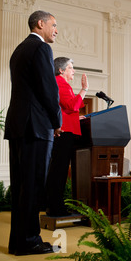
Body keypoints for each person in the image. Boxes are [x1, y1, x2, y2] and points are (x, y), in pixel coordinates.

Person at [4, 10, 62, 256]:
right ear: (40, 24)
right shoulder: (41, 49)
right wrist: (57, 120)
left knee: (21, 186)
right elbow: (48, 89)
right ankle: (29, 241)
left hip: (18, 126)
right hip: (36, 127)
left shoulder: (19, 50)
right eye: (54, 24)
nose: (56, 30)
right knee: (33, 186)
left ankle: (19, 241)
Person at [45, 57, 88, 217]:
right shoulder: (59, 82)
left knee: (59, 170)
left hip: (64, 130)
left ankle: (54, 205)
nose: (73, 71)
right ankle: (56, 207)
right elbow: (71, 105)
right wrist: (84, 89)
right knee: (59, 170)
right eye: (70, 68)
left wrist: (75, 118)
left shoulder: (60, 83)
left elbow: (63, 110)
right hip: (64, 133)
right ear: (61, 70)